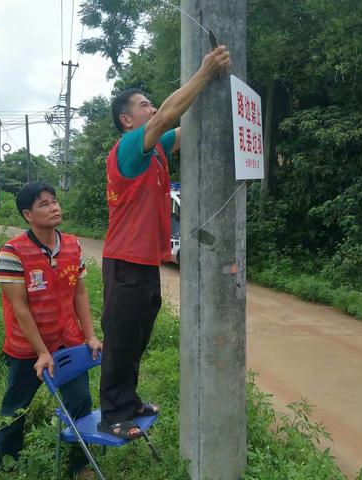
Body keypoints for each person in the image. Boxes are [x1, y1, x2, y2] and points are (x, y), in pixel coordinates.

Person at [99, 46, 231, 439]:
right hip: (123, 261)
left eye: (152, 103)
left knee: (138, 335)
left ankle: (129, 398)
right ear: (127, 120)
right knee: (121, 339)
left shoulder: (155, 148)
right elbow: (173, 112)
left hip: (144, 262)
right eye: (144, 105)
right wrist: (205, 71)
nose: (153, 108)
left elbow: (189, 123)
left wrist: (219, 90)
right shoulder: (130, 147)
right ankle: (113, 414)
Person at [0, 182, 102, 479]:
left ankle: (79, 464)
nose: (54, 207)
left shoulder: (72, 245)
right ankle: (4, 463)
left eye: (54, 201)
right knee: (16, 409)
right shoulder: (12, 251)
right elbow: (20, 308)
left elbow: (80, 294)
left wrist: (90, 335)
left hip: (67, 342)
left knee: (80, 401)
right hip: (27, 348)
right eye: (44, 204)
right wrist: (41, 352)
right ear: (28, 214)